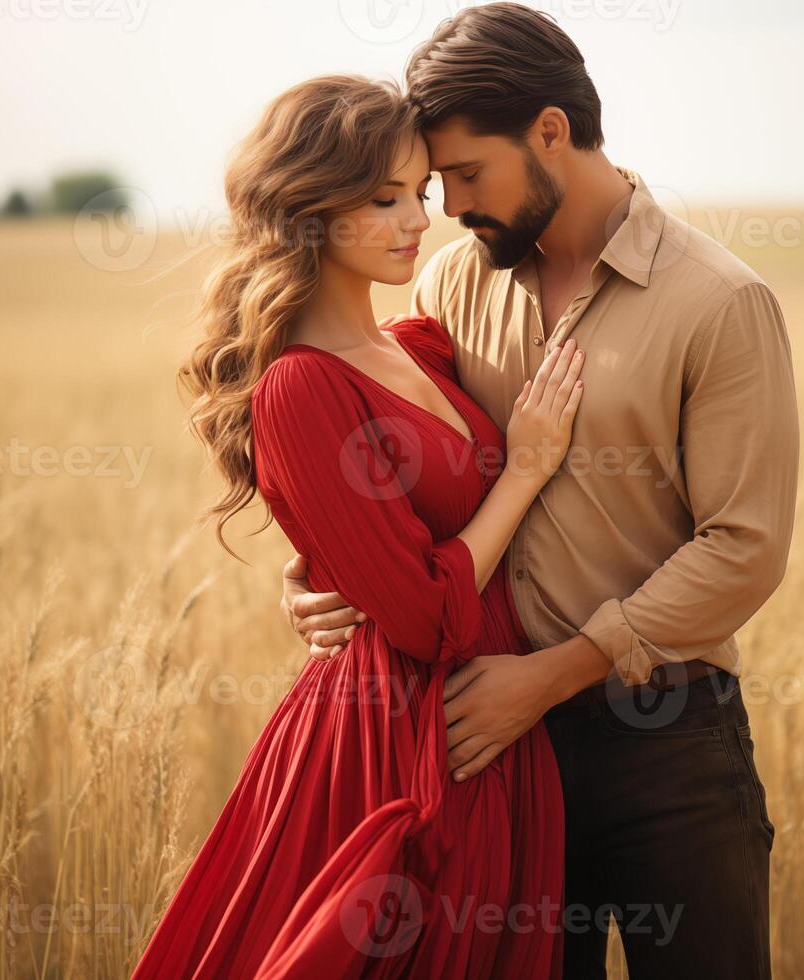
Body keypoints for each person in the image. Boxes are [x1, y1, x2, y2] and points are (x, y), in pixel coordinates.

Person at [281, 4, 800, 978]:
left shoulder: (718, 302)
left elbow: (744, 547)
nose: (448, 206)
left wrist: (552, 673)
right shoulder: (451, 285)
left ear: (550, 132)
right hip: (488, 753)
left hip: (665, 744)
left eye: (468, 174)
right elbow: (386, 464)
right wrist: (315, 569)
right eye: (434, 183)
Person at [130, 73, 581, 979]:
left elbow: (382, 542)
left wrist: (318, 566)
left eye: (419, 193)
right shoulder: (300, 387)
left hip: (490, 729)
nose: (418, 220)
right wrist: (526, 469)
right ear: (307, 209)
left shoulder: (415, 344)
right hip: (396, 747)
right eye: (384, 200)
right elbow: (423, 618)